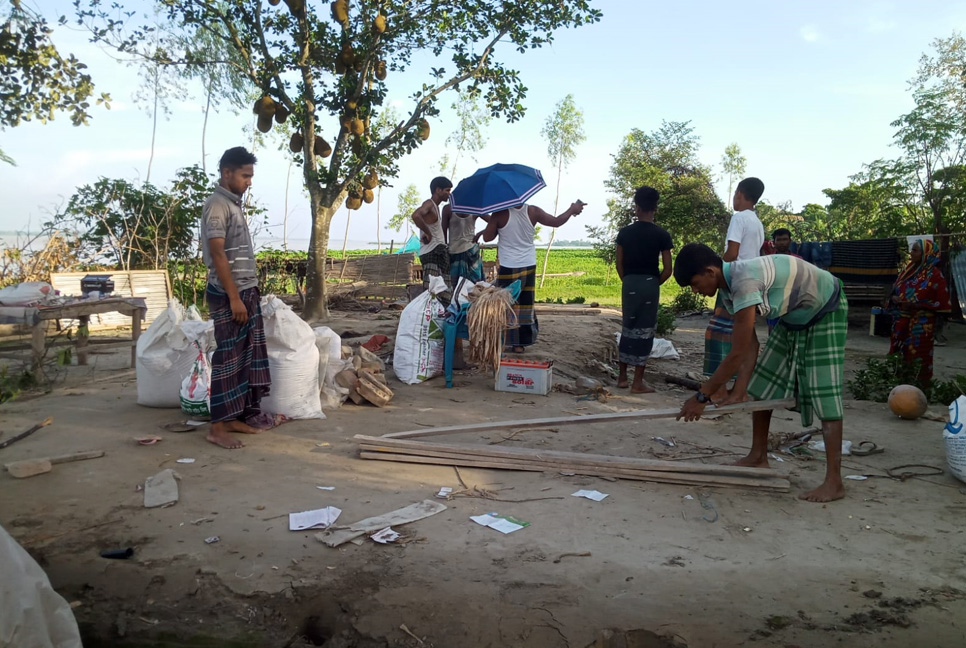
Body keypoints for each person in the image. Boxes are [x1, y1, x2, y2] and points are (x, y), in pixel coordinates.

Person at [674, 242, 848, 502]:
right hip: (795, 316)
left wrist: (702, 396)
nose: (696, 291)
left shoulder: (744, 283)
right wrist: (740, 390)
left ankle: (834, 482)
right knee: (763, 387)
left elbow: (736, 353)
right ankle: (758, 456)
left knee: (824, 392)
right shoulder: (728, 289)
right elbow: (750, 345)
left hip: (825, 308)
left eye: (695, 284)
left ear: (711, 272)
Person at [202, 147, 273, 449]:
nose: (249, 182)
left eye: (251, 176)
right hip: (229, 294)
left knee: (245, 359)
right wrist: (234, 298)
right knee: (228, 360)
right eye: (245, 175)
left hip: (245, 290)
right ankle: (217, 428)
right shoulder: (217, 205)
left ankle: (233, 417)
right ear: (226, 173)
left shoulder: (232, 204)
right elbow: (217, 253)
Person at [481, 199, 586, 352]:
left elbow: (487, 237)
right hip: (528, 264)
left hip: (508, 265)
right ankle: (520, 344)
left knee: (505, 303)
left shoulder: (499, 214)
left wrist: (493, 222)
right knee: (525, 303)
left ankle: (504, 339)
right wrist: (571, 210)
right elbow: (556, 222)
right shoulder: (533, 211)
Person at [703, 177, 765, 397]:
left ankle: (718, 390)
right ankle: (740, 390)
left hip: (735, 281)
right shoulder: (757, 222)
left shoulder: (739, 218)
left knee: (719, 334)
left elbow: (732, 253)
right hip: (753, 282)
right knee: (747, 339)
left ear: (739, 193)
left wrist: (718, 267)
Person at [614, 186, 673, 393]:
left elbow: (619, 264)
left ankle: (622, 377)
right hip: (650, 284)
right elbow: (668, 269)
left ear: (637, 207)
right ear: (655, 208)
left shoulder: (624, 233)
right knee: (645, 331)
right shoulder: (662, 235)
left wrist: (628, 281)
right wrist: (653, 283)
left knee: (628, 327)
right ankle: (637, 382)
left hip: (629, 283)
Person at [886, 238, 952, 386]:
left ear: (926, 254)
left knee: (918, 357)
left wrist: (915, 305)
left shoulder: (935, 276)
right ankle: (899, 386)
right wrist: (894, 298)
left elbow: (942, 304)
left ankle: (919, 388)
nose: (911, 253)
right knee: (899, 356)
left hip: (921, 326)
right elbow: (895, 291)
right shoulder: (908, 271)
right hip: (901, 322)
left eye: (915, 250)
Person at [411, 176, 453, 298]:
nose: (449, 194)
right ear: (438, 190)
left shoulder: (435, 206)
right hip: (432, 252)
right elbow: (416, 215)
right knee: (432, 292)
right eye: (447, 190)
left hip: (438, 251)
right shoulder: (429, 204)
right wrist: (427, 232)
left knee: (443, 290)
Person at [763, 228, 802, 332]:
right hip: (773, 302)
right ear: (774, 242)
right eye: (779, 240)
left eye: (785, 239)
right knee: (773, 332)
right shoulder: (768, 260)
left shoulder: (798, 260)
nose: (782, 243)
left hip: (793, 302)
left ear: (790, 241)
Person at [442, 203, 487, 285]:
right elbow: (443, 234)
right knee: (455, 286)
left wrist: (479, 234)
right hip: (455, 254)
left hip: (471, 253)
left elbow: (493, 221)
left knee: (475, 286)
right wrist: (445, 253)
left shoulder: (474, 208)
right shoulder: (448, 209)